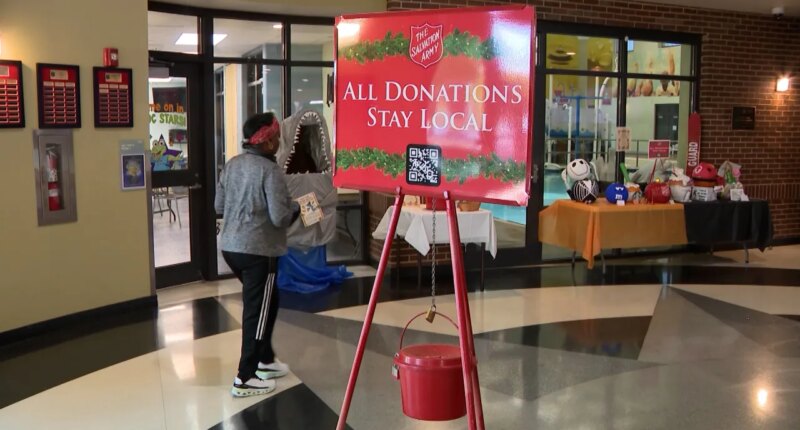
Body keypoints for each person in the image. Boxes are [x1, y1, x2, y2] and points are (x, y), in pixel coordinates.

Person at [215, 112, 300, 397]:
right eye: (275, 136)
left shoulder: (233, 164)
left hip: (230, 247)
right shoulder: (270, 171)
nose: (279, 141)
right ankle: (245, 377)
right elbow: (279, 218)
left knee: (268, 300)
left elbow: (219, 205)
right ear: (265, 142)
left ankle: (264, 359)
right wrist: (297, 210)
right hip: (258, 251)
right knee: (256, 311)